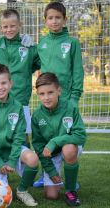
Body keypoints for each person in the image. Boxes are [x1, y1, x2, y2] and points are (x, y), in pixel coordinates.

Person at [34, 1, 84, 188]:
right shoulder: (43, 43)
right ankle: (46, 173)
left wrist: (74, 98)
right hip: (48, 97)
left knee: (67, 139)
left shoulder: (72, 43)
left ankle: (71, 180)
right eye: (50, 18)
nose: (54, 21)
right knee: (46, 137)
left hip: (66, 100)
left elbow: (78, 72)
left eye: (58, 18)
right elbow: (34, 64)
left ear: (64, 20)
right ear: (45, 21)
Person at [0, 8, 40, 147]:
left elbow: (38, 64)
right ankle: (1, 166)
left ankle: (26, 166)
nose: (9, 29)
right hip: (0, 102)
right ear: (1, 27)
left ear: (19, 25)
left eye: (12, 26)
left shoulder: (28, 46)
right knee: (1, 136)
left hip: (21, 99)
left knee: (22, 137)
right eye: (5, 26)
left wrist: (25, 70)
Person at [0, 64, 39, 207]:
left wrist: (12, 160)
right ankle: (1, 177)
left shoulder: (17, 107)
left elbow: (19, 136)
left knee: (33, 159)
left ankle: (22, 191)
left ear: (10, 83)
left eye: (4, 83)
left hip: (14, 152)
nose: (0, 87)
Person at [31, 72, 86, 207]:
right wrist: (51, 171)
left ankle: (70, 190)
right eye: (42, 94)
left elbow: (81, 135)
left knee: (68, 149)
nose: (46, 97)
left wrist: (55, 141)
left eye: (50, 92)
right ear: (37, 94)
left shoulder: (70, 107)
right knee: (51, 196)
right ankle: (59, 178)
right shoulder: (37, 116)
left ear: (59, 91)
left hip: (69, 148)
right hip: (51, 155)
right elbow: (38, 146)